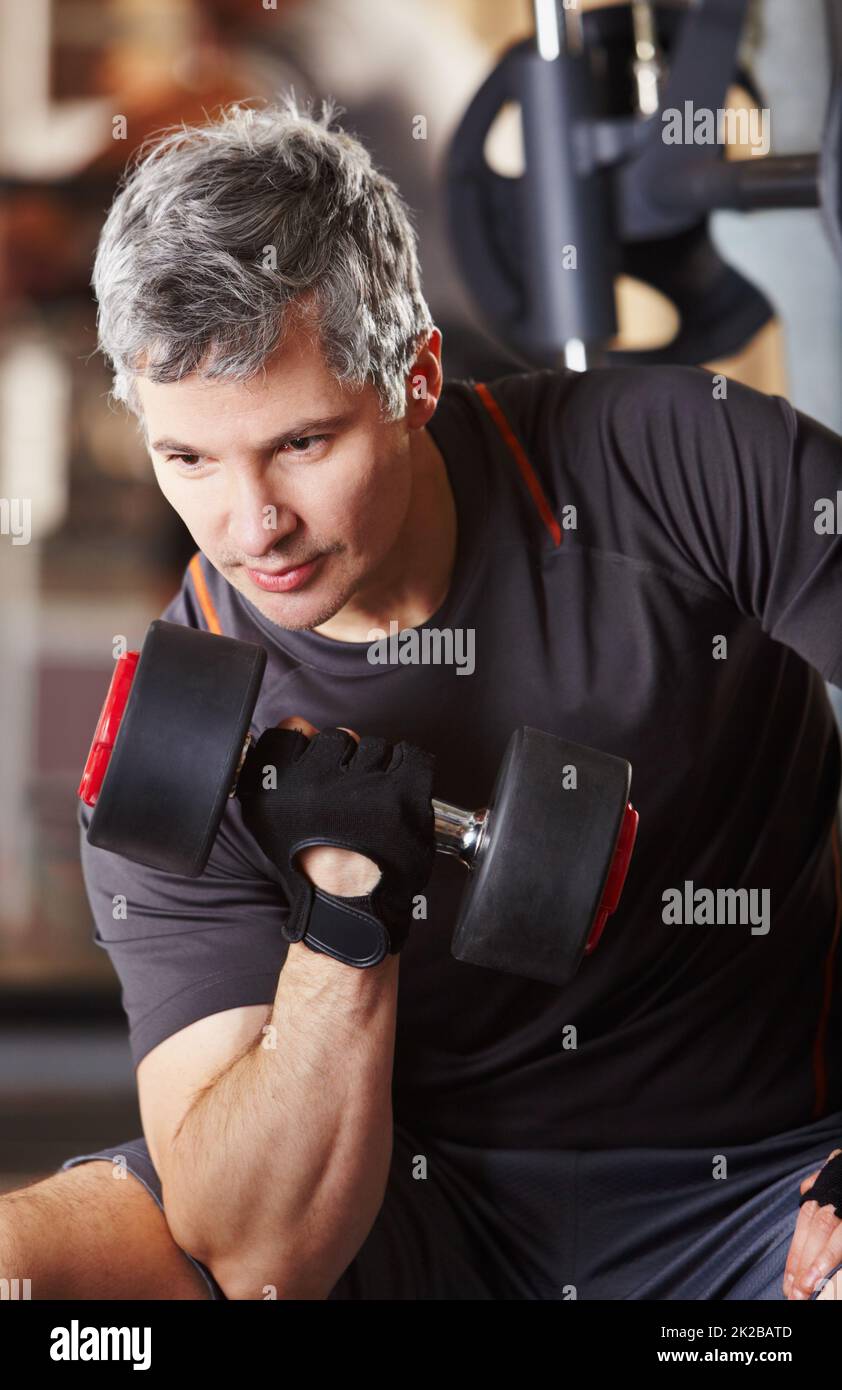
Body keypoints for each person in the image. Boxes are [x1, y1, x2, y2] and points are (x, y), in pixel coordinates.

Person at [3, 93, 842, 1302]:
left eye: (301, 443)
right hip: (399, 1220)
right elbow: (262, 1257)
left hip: (761, 1194)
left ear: (416, 375)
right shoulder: (177, 736)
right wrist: (346, 915)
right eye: (188, 458)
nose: (252, 527)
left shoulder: (673, 466)